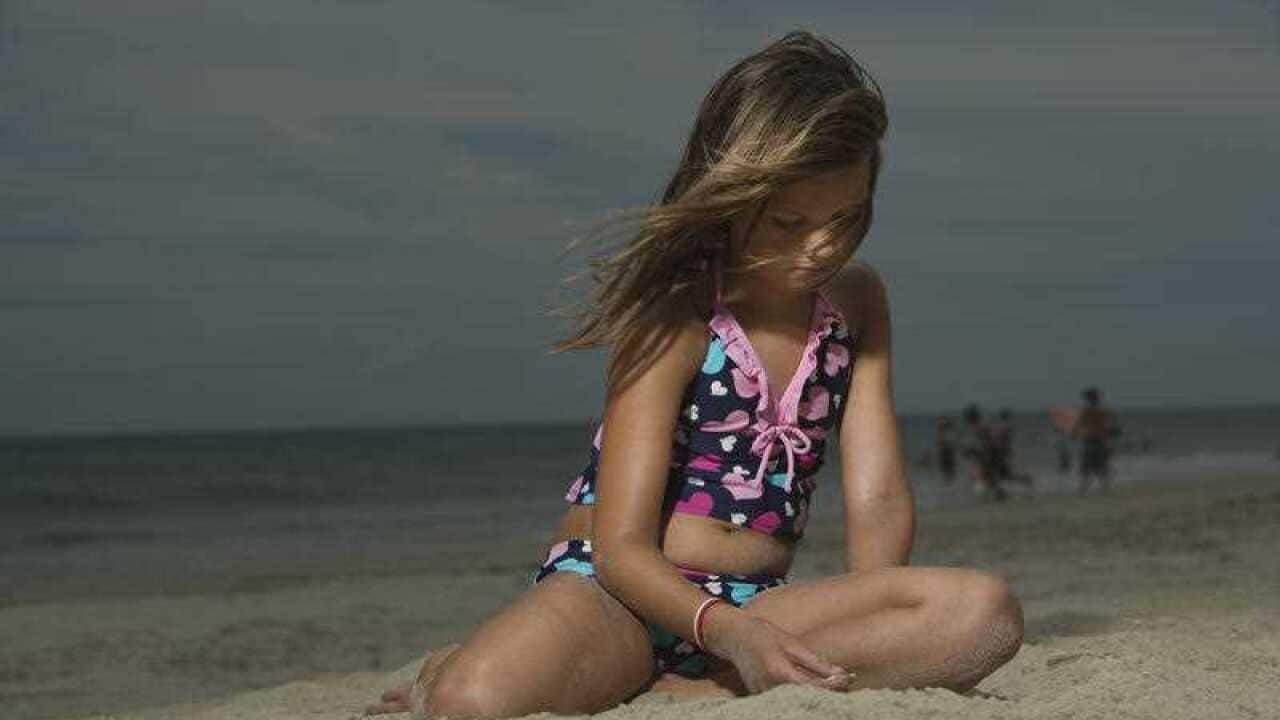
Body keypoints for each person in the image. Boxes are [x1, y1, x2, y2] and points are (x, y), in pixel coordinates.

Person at [366, 32, 1023, 719]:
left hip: (760, 605)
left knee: (982, 615)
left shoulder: (856, 306)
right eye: (789, 221)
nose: (821, 246)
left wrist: (871, 621)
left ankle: (685, 693)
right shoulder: (674, 313)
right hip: (620, 593)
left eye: (846, 217)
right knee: (472, 703)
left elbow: (878, 497)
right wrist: (727, 631)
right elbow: (621, 548)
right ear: (731, 196)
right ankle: (469, 665)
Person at [1072, 387, 1120, 495]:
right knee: (1100, 467)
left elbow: (1077, 428)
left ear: (1089, 399)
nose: (1086, 401)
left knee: (1088, 468)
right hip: (1101, 442)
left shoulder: (1086, 412)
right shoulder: (1104, 411)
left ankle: (1083, 490)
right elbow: (1115, 426)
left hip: (1090, 441)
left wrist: (1074, 434)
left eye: (1087, 398)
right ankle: (1104, 489)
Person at [959, 404, 1004, 501]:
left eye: (968, 416)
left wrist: (974, 451)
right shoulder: (979, 427)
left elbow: (987, 442)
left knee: (984, 476)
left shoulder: (980, 427)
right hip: (986, 455)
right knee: (987, 477)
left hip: (986, 455)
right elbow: (987, 441)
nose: (966, 419)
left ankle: (988, 495)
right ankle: (995, 494)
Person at [991, 409, 1033, 492]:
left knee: (1001, 474)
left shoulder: (1004, 427)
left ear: (1002, 416)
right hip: (1004, 454)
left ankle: (998, 491)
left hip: (1002, 454)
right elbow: (1004, 440)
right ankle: (1025, 480)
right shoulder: (1006, 426)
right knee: (1004, 475)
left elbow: (1002, 440)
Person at [935, 417, 957, 485]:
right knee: (947, 469)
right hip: (946, 452)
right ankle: (948, 482)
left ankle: (948, 482)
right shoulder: (943, 438)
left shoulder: (943, 438)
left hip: (946, 452)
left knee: (947, 469)